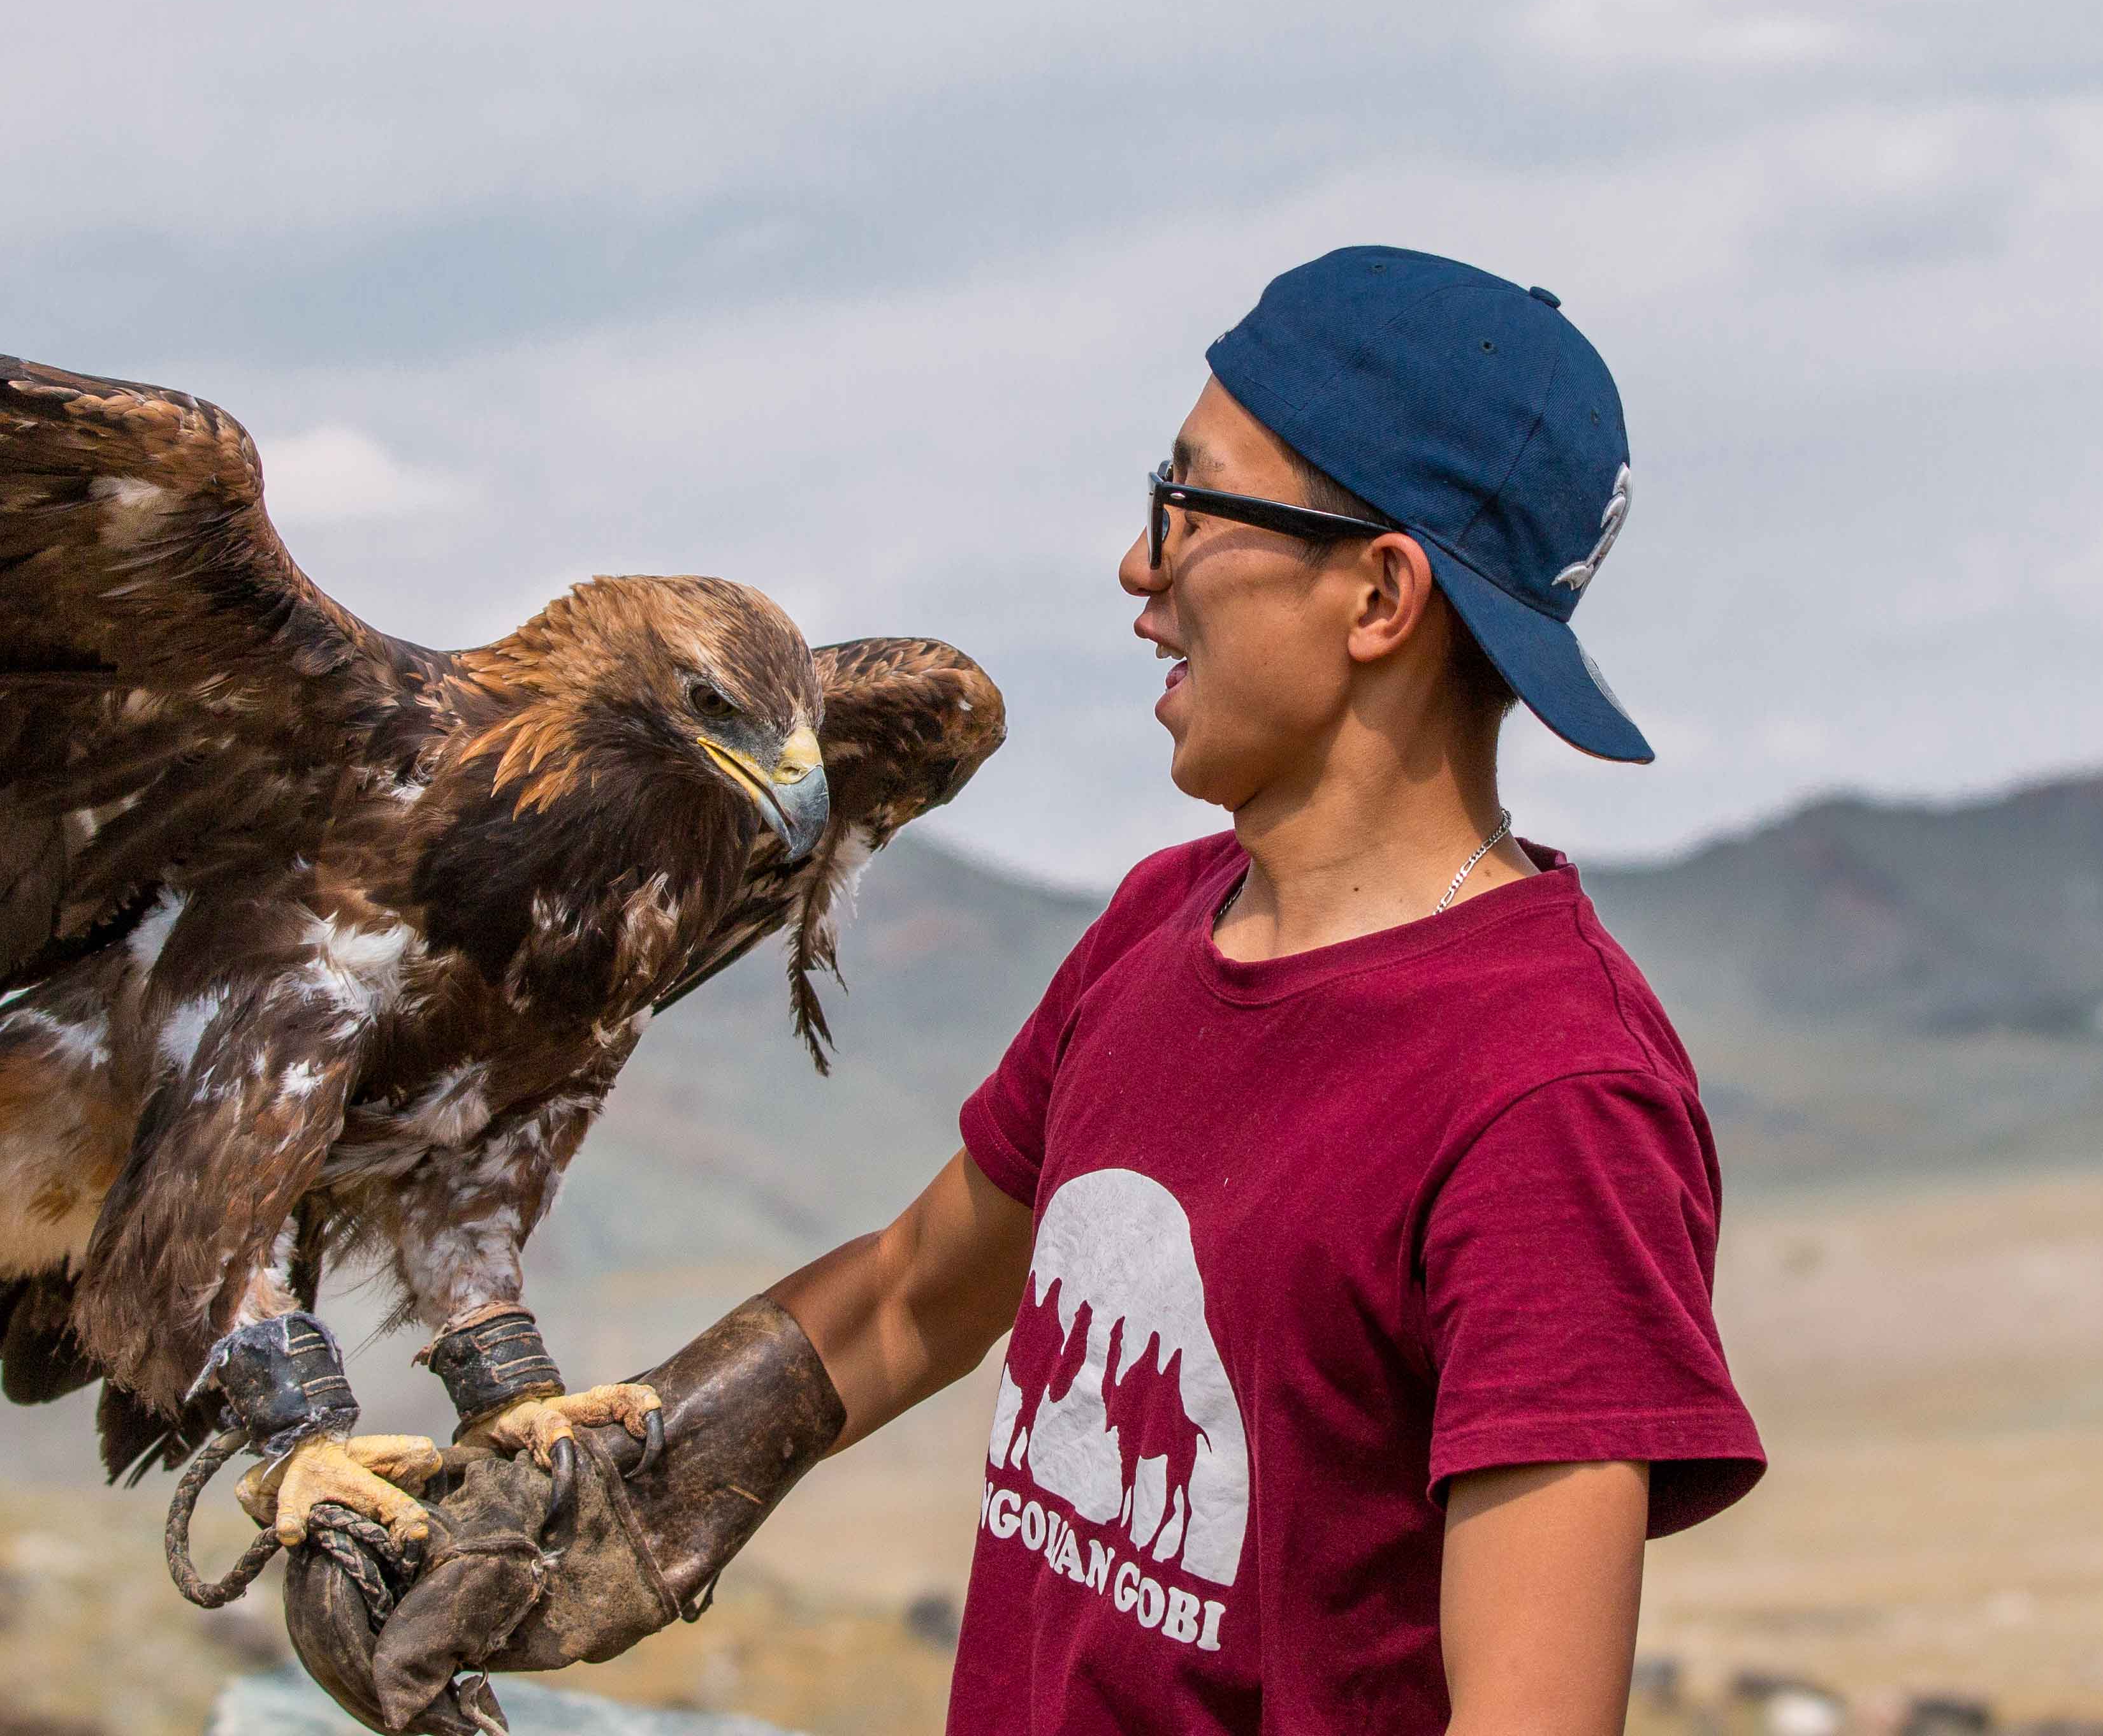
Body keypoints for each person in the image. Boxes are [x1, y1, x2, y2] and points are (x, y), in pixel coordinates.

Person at [320, 247, 1762, 1736]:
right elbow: (912, 1293)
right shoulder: (1164, 923)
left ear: (1380, 594)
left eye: (1189, 506)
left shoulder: (1553, 1101)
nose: (1141, 569)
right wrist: (625, 1489)